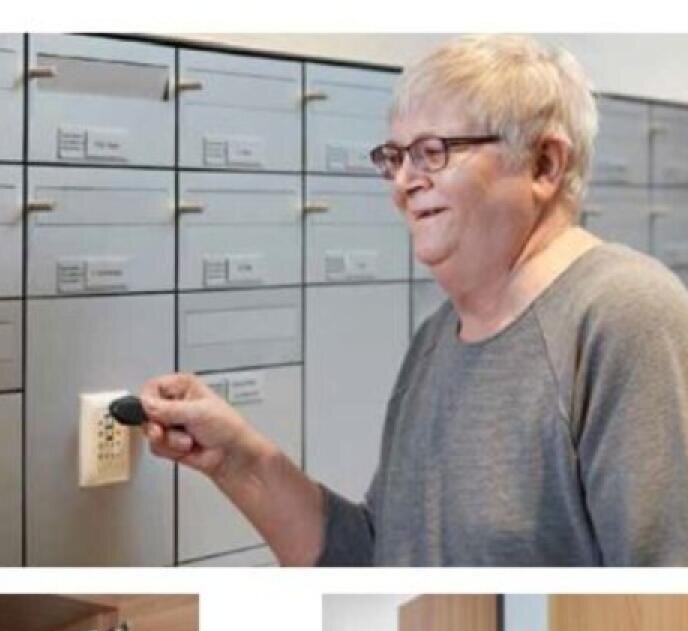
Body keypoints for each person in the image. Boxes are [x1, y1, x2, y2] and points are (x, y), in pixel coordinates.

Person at [134, 35, 688, 566]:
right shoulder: (436, 337)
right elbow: (380, 556)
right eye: (395, 157)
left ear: (544, 165)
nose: (403, 183)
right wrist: (236, 458)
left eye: (433, 153)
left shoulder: (625, 315)